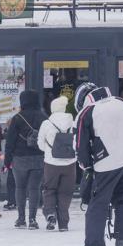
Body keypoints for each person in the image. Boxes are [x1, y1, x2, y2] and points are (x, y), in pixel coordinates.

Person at [76, 83, 123, 246]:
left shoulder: (87, 112)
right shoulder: (121, 102)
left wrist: (87, 166)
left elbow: (80, 146)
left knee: (98, 203)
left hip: (108, 163)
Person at [3, 90, 48, 229]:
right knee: (34, 188)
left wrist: (7, 160)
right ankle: (33, 220)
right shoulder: (43, 117)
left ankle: (21, 219)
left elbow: (10, 141)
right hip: (38, 158)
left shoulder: (17, 118)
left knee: (20, 187)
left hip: (19, 158)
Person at [39, 95, 78, 231]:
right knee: (65, 193)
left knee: (49, 190)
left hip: (51, 164)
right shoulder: (73, 123)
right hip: (70, 164)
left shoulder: (46, 124)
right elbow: (78, 142)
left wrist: (50, 152)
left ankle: (50, 214)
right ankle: (64, 224)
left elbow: (40, 145)